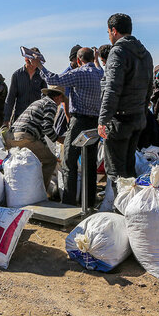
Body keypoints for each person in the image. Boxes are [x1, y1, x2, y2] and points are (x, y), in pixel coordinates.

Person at [36, 47, 104, 206]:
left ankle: (69, 202)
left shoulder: (80, 73)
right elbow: (99, 66)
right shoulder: (98, 73)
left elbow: (53, 80)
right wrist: (97, 59)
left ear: (79, 61)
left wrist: (39, 65)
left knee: (69, 161)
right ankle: (89, 200)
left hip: (79, 122)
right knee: (90, 162)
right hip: (94, 122)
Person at [98, 13, 153, 184]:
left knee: (115, 171)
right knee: (129, 168)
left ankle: (119, 208)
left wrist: (103, 119)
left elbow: (112, 88)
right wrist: (142, 113)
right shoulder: (146, 54)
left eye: (108, 32)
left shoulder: (118, 51)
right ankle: (131, 208)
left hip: (120, 120)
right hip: (137, 118)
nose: (108, 35)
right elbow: (149, 89)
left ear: (114, 31)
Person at [4, 85, 65, 190]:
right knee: (50, 161)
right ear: (57, 97)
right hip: (24, 137)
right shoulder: (51, 104)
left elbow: (40, 135)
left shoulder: (38, 102)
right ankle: (42, 191)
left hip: (11, 137)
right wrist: (59, 139)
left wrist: (47, 151)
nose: (61, 102)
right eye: (61, 99)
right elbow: (47, 128)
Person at [3, 47, 48, 126]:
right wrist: (6, 120)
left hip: (36, 119)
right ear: (26, 59)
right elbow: (10, 98)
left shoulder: (42, 76)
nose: (32, 64)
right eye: (29, 61)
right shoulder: (17, 75)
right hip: (19, 118)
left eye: (35, 62)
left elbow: (45, 99)